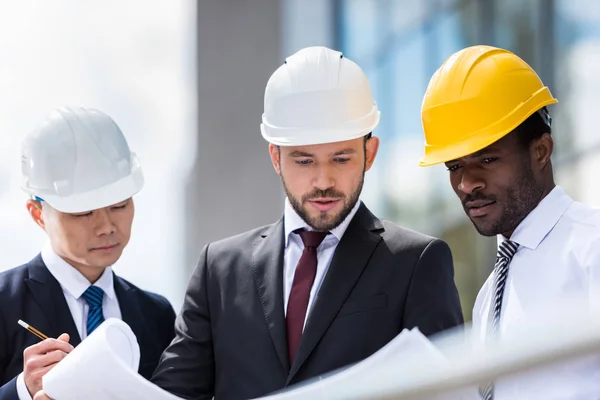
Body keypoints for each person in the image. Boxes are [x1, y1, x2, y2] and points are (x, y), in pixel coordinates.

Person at [150, 46, 463, 400]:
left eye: (341, 159)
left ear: (370, 153)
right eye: (303, 161)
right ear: (276, 158)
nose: (323, 180)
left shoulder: (416, 263)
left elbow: (449, 391)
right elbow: (169, 395)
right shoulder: (218, 271)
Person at [419, 45, 600, 399]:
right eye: (454, 167)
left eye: (486, 159)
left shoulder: (592, 247)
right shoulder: (489, 296)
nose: (467, 184)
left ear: (541, 151)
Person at [0, 107, 176, 400]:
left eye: (119, 205)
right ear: (38, 214)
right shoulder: (4, 303)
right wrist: (21, 391)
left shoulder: (156, 315)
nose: (106, 226)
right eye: (83, 213)